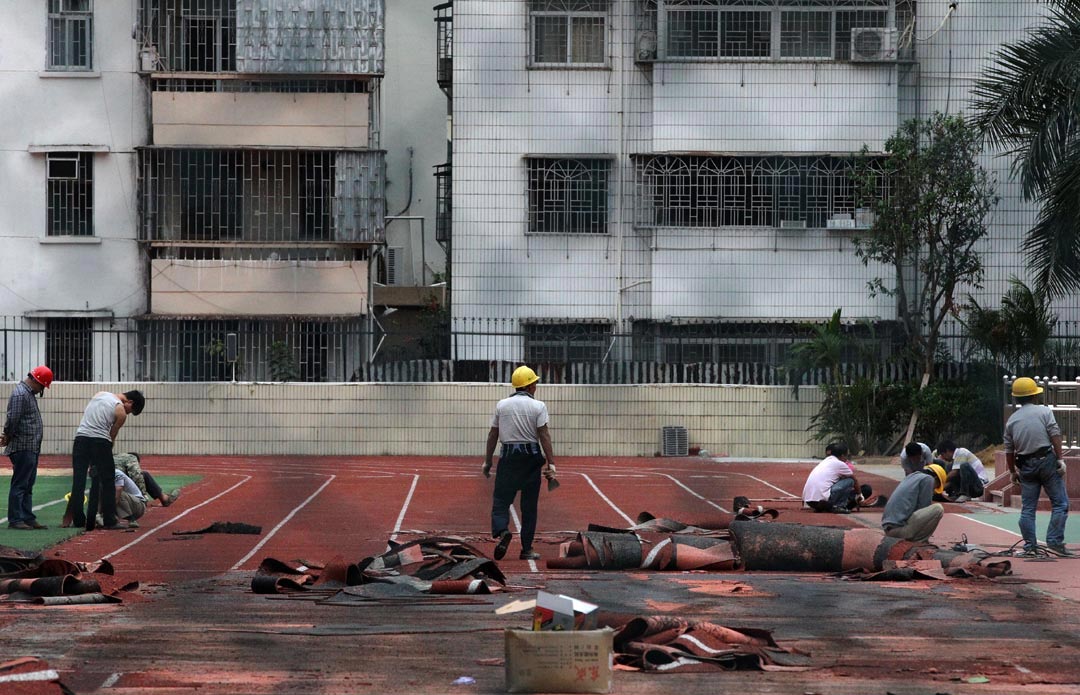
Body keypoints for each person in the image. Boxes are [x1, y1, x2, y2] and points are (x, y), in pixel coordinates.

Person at [482, 365, 556, 561]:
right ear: (530, 386)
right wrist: (551, 463)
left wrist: (488, 461)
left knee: (501, 502)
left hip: (508, 460)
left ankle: (502, 531)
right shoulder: (538, 406)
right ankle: (527, 549)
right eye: (535, 383)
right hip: (531, 460)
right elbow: (544, 435)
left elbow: (493, 435)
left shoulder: (502, 405)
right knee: (529, 507)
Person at [1004, 377, 1071, 557]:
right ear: (1035, 396)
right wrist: (1060, 459)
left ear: (1017, 398)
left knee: (1028, 509)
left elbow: (1009, 451)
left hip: (1025, 465)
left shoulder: (1011, 420)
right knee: (1060, 503)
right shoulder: (1044, 411)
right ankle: (1055, 542)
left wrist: (1012, 472)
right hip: (1046, 460)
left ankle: (1031, 547)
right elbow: (1055, 434)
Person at [63, 390, 145, 531]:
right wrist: (108, 447)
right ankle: (109, 520)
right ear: (129, 402)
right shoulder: (120, 410)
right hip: (100, 441)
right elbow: (111, 435)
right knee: (107, 480)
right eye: (130, 410)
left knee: (79, 480)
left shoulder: (99, 394)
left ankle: (78, 519)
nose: (128, 413)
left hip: (80, 438)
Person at [1, 366, 53, 530]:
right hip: (23, 445)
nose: (41, 390)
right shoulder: (21, 394)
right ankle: (16, 519)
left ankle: (27, 517)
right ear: (37, 381)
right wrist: (7, 435)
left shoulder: (26, 394)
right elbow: (13, 419)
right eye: (42, 386)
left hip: (30, 445)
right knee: (21, 484)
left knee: (28, 483)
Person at [881, 464, 946, 542]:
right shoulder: (928, 479)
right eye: (935, 487)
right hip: (899, 531)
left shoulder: (912, 476)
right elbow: (924, 508)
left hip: (890, 529)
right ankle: (920, 541)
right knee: (938, 509)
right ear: (936, 478)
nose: (933, 491)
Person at [802, 442, 865, 514]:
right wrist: (860, 495)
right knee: (850, 481)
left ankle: (824, 506)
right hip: (823, 500)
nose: (847, 459)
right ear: (842, 455)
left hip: (810, 502)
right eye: (846, 456)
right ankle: (839, 506)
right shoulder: (840, 464)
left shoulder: (824, 462)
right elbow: (855, 480)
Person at [114, 452, 180, 508]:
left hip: (106, 483)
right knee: (144, 474)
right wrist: (143, 497)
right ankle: (165, 499)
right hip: (117, 487)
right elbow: (137, 476)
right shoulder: (132, 458)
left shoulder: (116, 457)